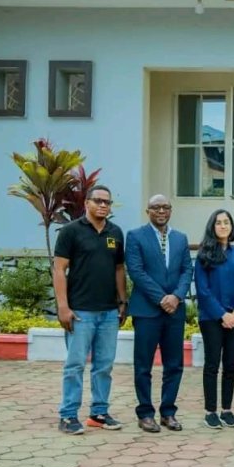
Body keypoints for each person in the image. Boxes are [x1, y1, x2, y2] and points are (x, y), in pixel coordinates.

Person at [53, 185, 128, 435]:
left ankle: (98, 413)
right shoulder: (70, 232)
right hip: (80, 312)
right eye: (98, 201)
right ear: (86, 203)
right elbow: (59, 270)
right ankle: (68, 415)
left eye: (107, 202)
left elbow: (119, 269)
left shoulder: (115, 232)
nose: (103, 205)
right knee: (75, 365)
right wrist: (63, 307)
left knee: (103, 365)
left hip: (108, 312)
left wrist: (122, 301)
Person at [125, 194, 193, 433]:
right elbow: (136, 271)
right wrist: (161, 297)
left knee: (174, 364)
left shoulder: (180, 238)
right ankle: (145, 413)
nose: (161, 211)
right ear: (148, 211)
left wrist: (176, 296)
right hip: (147, 310)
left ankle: (168, 412)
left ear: (171, 210)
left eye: (165, 207)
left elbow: (187, 270)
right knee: (143, 365)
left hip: (174, 311)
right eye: (156, 207)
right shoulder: (135, 236)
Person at [195, 210, 234, 430]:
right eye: (218, 223)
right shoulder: (204, 254)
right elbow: (203, 290)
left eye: (227, 222)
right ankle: (210, 411)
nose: (223, 226)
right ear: (212, 226)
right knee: (212, 365)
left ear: (231, 226)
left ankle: (227, 410)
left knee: (230, 365)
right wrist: (222, 314)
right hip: (211, 317)